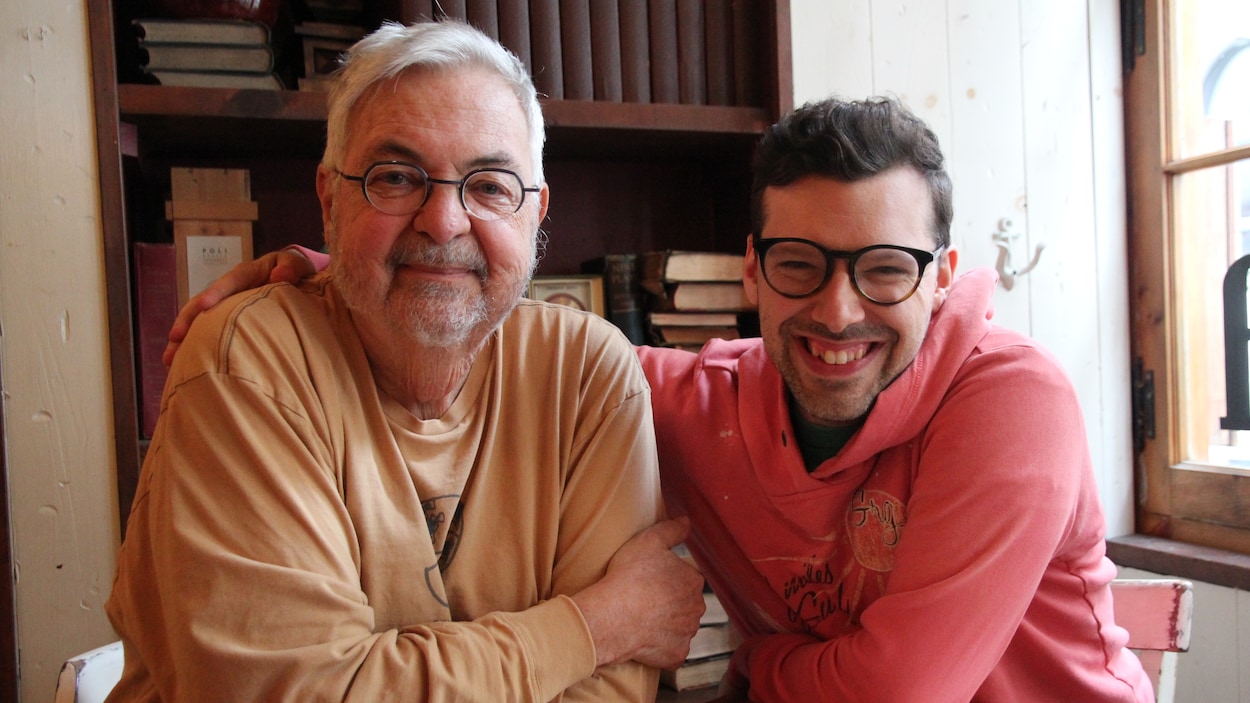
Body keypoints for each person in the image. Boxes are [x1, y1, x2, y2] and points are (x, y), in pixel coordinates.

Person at [169, 97, 1153, 701]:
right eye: (801, 265)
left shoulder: (1012, 400)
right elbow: (511, 328)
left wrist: (757, 674)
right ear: (752, 270)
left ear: (941, 276)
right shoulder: (686, 402)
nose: (838, 310)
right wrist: (350, 269)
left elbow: (896, 691)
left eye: (885, 270)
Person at [106, 20, 706, 702]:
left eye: (489, 185)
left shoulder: (588, 372)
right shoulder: (248, 365)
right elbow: (292, 693)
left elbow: (612, 694)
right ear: (330, 199)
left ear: (535, 213)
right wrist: (594, 626)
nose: (444, 221)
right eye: (396, 177)